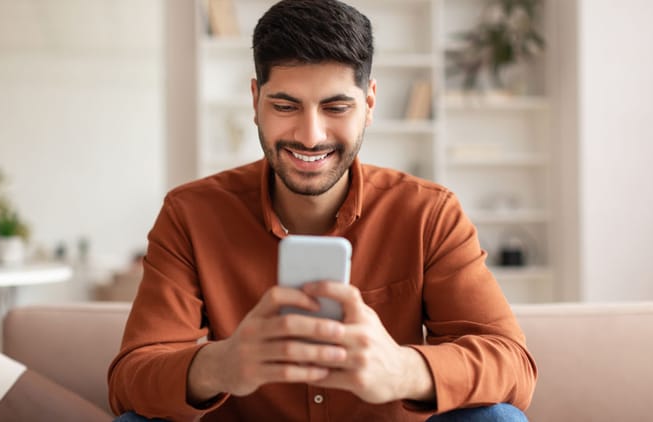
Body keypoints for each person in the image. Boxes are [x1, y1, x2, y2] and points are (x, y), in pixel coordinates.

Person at [108, 0, 537, 420]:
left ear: (369, 104)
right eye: (285, 106)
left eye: (336, 107)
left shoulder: (429, 213)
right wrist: (222, 364)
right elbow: (129, 380)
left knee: (497, 418)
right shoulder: (190, 214)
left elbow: (512, 366)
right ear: (256, 100)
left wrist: (402, 370)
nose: (311, 136)